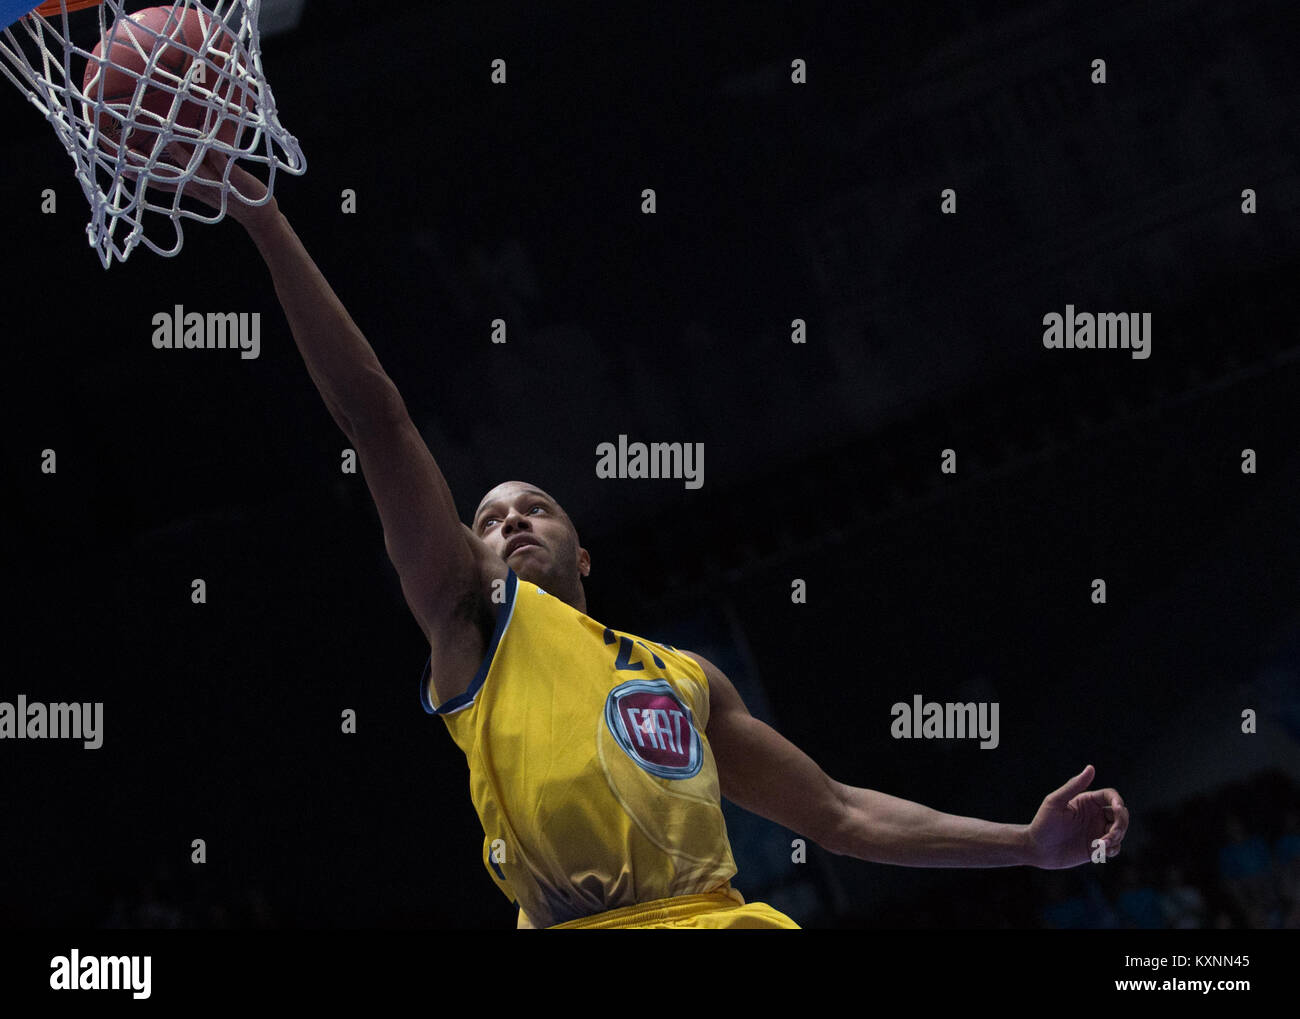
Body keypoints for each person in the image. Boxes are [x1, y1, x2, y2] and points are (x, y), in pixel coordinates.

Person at [178, 152, 1130, 929]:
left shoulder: (683, 677)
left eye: (536, 507)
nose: (510, 520)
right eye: (489, 518)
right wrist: (262, 213)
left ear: (583, 553)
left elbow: (838, 813)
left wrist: (1025, 843)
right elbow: (377, 423)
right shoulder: (473, 621)